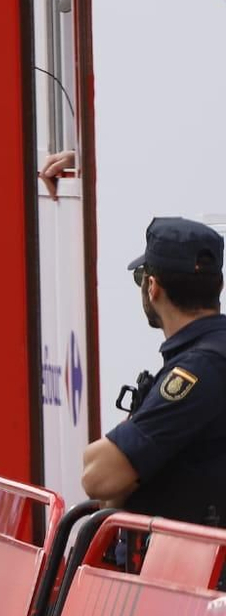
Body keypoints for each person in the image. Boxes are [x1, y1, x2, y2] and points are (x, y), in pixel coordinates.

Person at [82, 217, 226, 527]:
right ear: (219, 286)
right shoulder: (210, 354)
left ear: (152, 287)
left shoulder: (200, 369)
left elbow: (98, 477)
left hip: (188, 570)